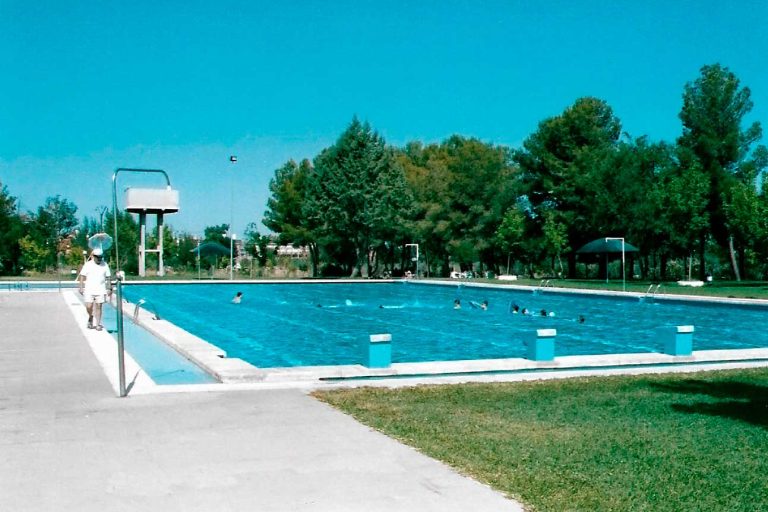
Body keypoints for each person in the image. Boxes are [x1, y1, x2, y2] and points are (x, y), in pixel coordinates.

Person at [78, 248, 111, 331]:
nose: (99, 258)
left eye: (101, 257)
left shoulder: (105, 265)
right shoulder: (88, 265)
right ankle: (90, 316)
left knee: (99, 306)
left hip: (100, 289)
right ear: (93, 256)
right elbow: (82, 276)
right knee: (88, 306)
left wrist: (109, 288)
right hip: (89, 289)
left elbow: (108, 277)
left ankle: (98, 324)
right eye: (98, 257)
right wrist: (81, 287)